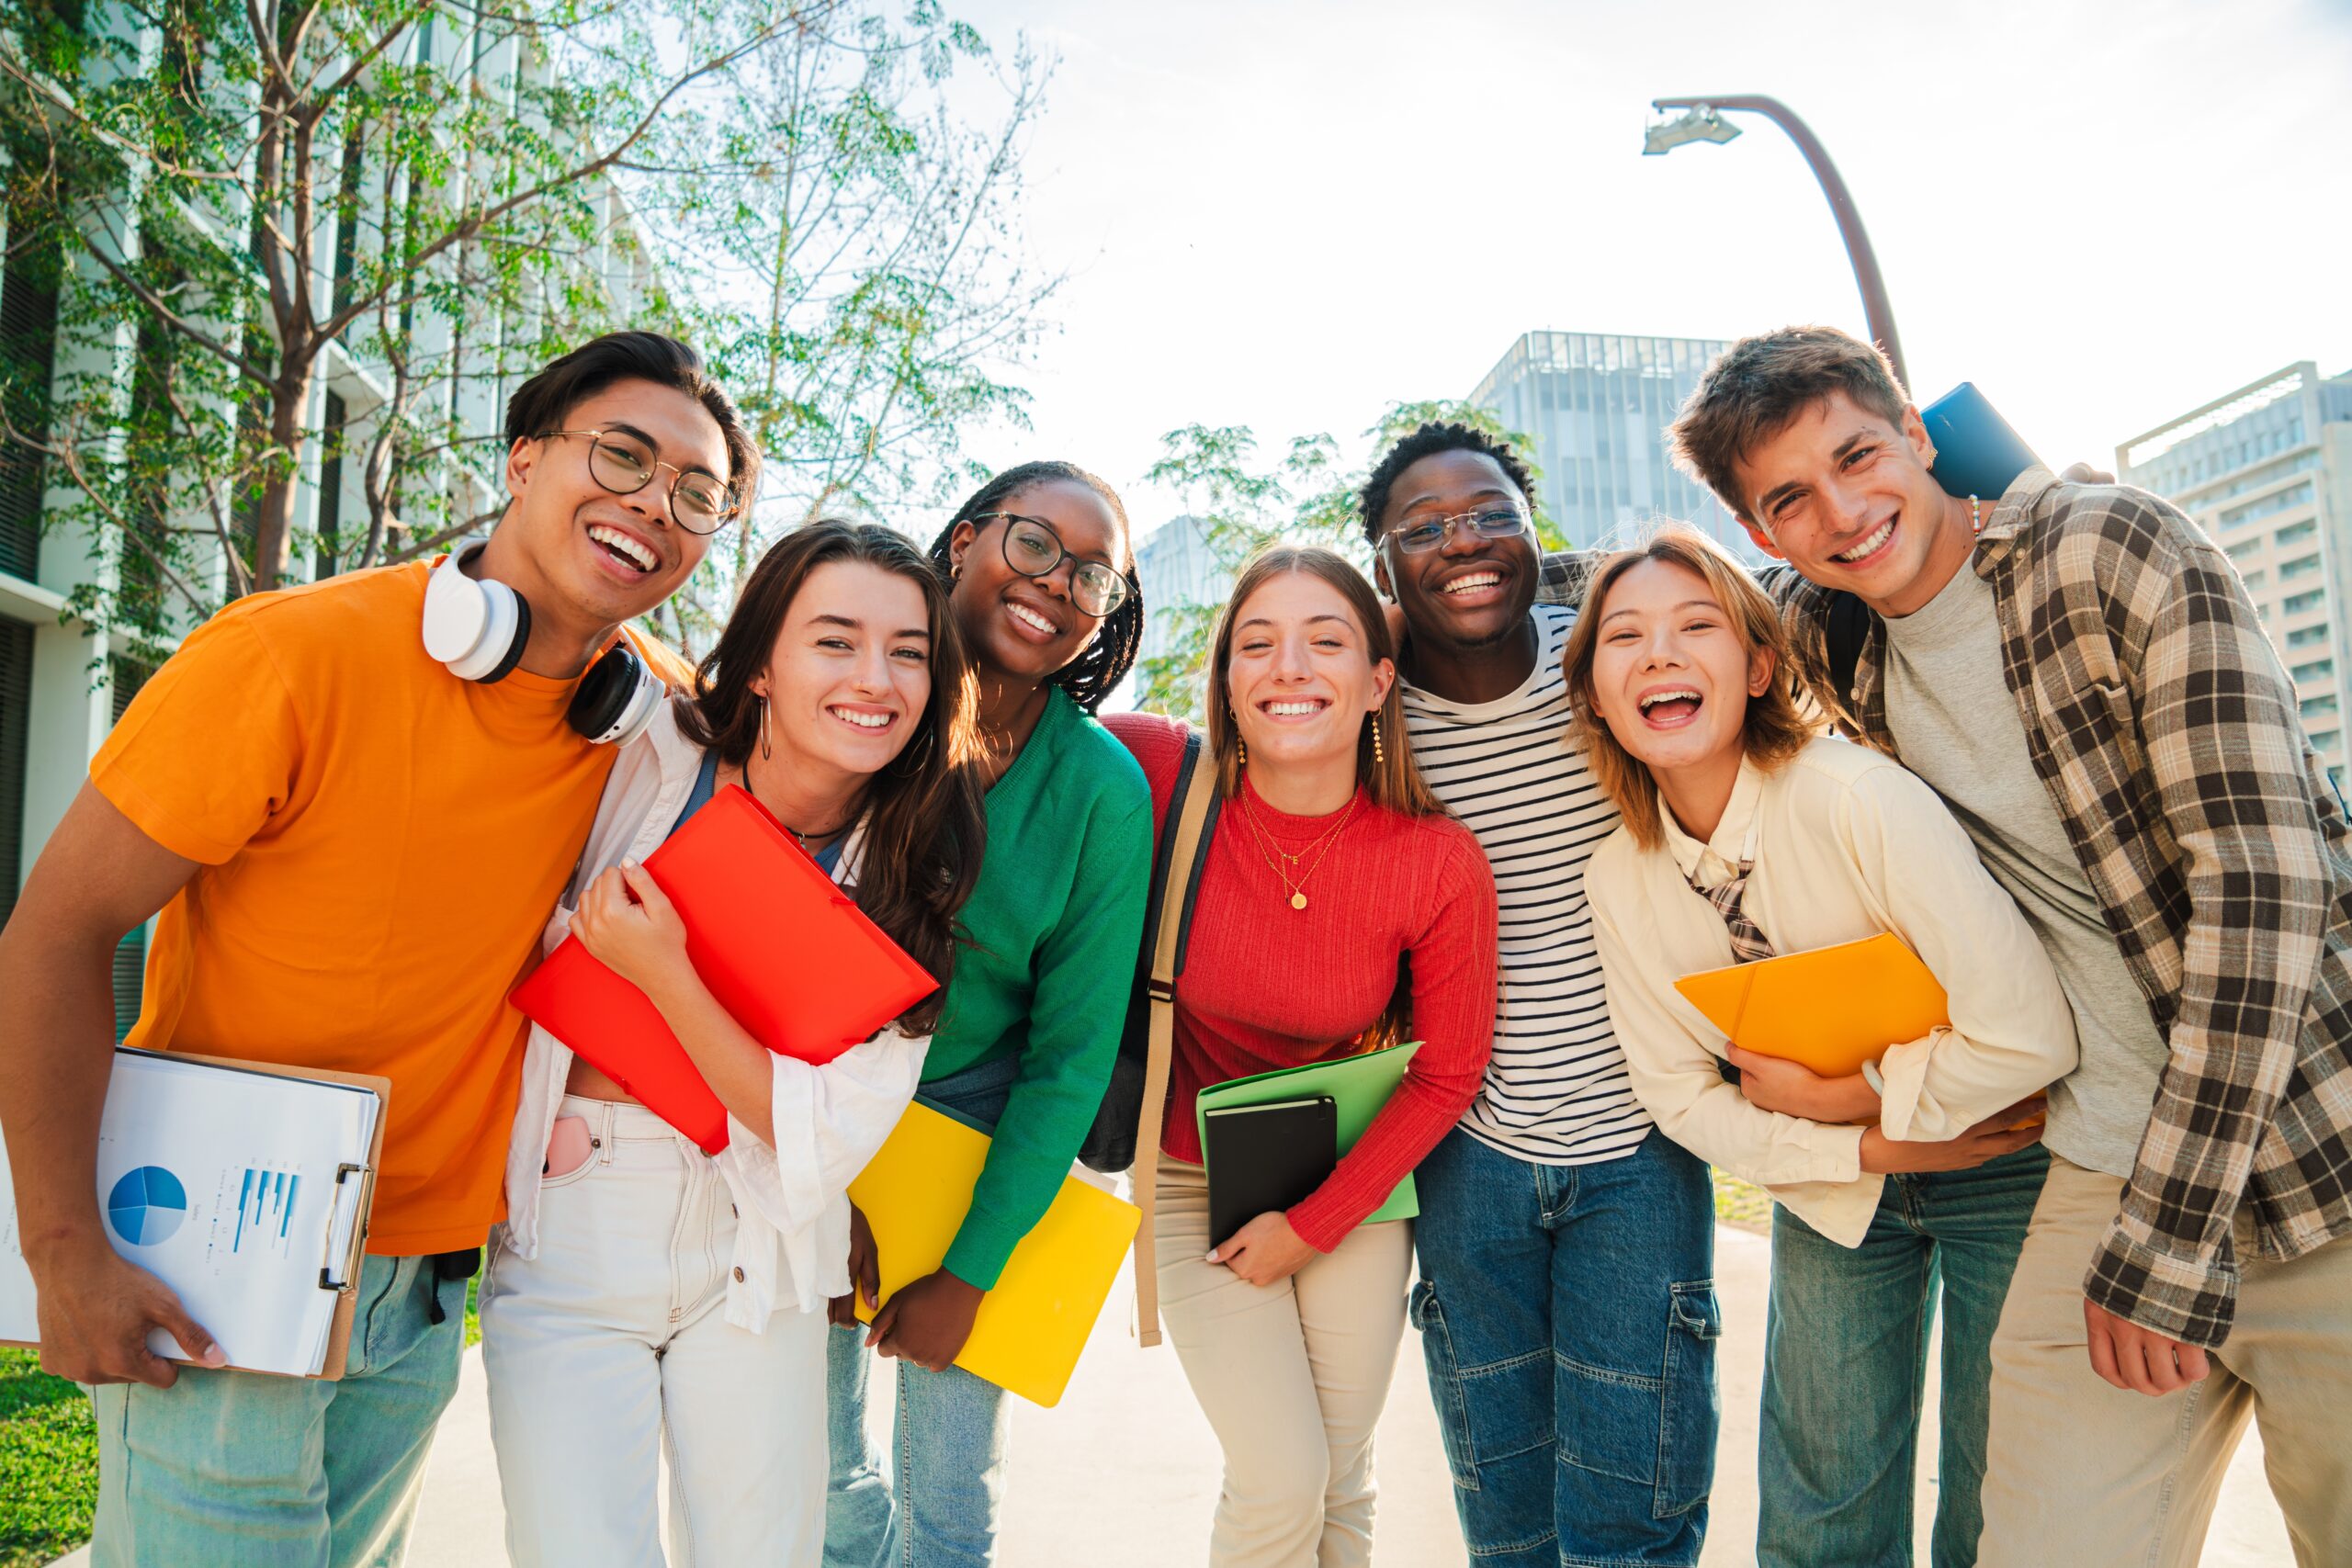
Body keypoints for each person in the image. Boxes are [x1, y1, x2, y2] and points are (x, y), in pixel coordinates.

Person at [1547, 323, 2352, 1567]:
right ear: (1768, 537)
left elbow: (2266, 886)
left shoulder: (2110, 550)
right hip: (2098, 1172)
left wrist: (2171, 1232)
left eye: (1862, 454)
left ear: (1921, 433)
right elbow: (1688, 646)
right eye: (1792, 499)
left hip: (2313, 1150)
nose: (1845, 509)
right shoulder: (1831, 639)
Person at [0, 332, 757, 1565]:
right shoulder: (287, 654)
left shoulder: (653, 726)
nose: (651, 505)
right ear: (524, 457)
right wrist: (62, 1247)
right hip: (216, 1249)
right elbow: (54, 931)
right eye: (621, 455)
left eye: (695, 494)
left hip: (426, 1281)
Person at [1566, 523, 2075, 1567]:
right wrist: (1869, 1148)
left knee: (1996, 1499)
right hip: (1837, 1188)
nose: (1659, 654)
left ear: (1756, 666)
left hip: (2001, 1165)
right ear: (1594, 696)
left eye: (1695, 625)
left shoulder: (1851, 795)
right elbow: (1677, 1097)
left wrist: (1852, 1098)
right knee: (1819, 1507)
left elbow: (2027, 1033)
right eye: (1624, 637)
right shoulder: (1617, 875)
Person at [480, 520, 987, 1564]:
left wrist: (662, 969)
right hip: (577, 1213)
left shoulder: (907, 867)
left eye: (907, 652)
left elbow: (818, 1142)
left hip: (758, 1251)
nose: (875, 679)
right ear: (761, 662)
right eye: (835, 640)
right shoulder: (644, 755)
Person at [1360, 423, 1720, 1565]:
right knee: (1506, 1522)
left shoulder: (1611, 668)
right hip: (1465, 1154)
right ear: (1386, 567)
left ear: (1531, 536)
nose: (1460, 542)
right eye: (1423, 528)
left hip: (1643, 1140)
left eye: (1488, 515)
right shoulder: (1370, 721)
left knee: (1632, 1512)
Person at [1104, 544, 1498, 1568]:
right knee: (1281, 1480)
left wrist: (1315, 1220)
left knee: (1340, 1473)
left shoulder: (1433, 859)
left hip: (1349, 1179)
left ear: (1375, 684)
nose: (1289, 668)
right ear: (1226, 679)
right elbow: (996, 724)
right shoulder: (1155, 778)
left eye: (1325, 642)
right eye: (1257, 645)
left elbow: (1448, 1071)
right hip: (1190, 1180)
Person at [825, 462, 1152, 1568]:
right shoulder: (868, 703)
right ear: (964, 541)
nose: (1059, 584)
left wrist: (967, 1274)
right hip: (802, 1101)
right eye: (1034, 545)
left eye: (1094, 576)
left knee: (950, 1499)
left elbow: (1068, 1056)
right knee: (818, 1479)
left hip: (976, 1125)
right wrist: (811, 1180)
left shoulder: (1103, 789)